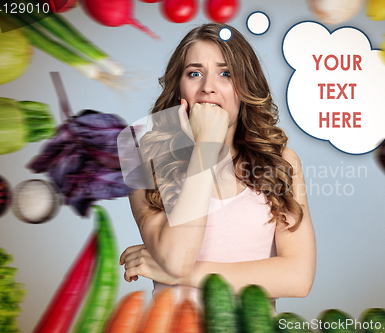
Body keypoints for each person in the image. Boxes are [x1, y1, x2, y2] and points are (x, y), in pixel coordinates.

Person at [119, 23, 316, 305]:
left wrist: (186, 275)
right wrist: (205, 147)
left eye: (226, 74)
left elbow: (298, 277)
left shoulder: (282, 162)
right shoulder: (141, 155)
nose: (208, 87)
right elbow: (176, 259)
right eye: (194, 73)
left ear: (244, 87)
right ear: (179, 89)